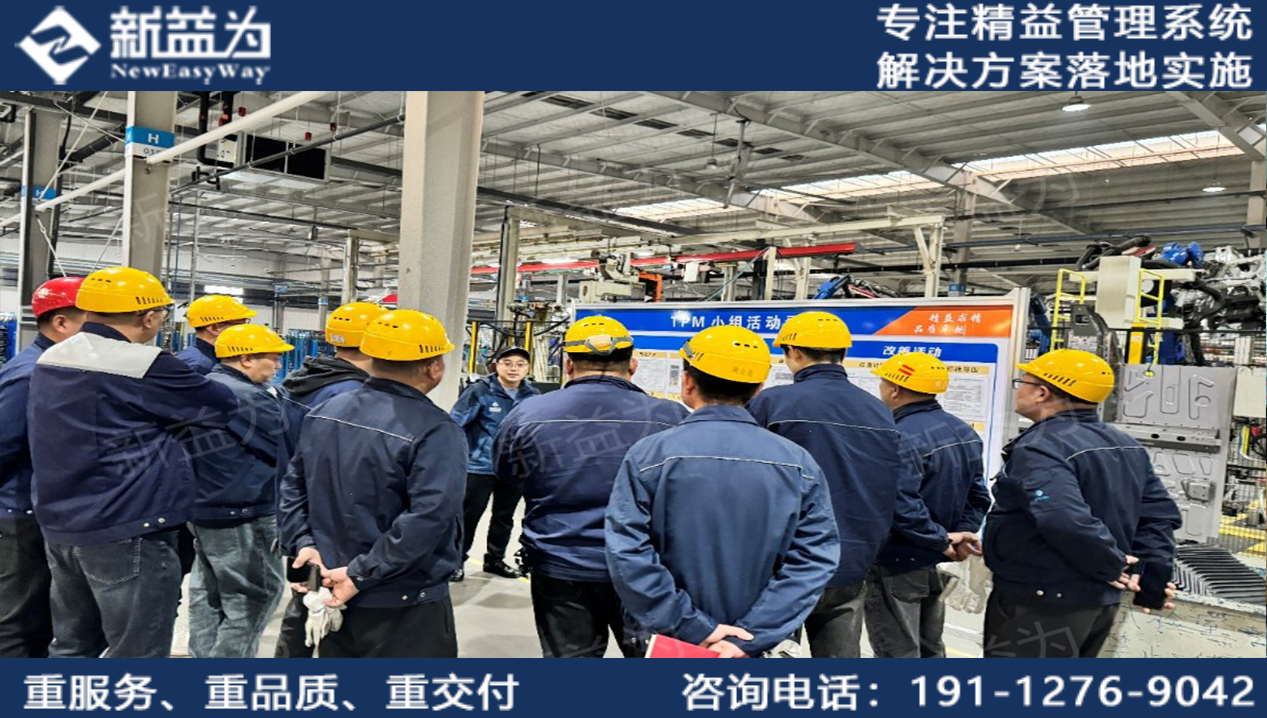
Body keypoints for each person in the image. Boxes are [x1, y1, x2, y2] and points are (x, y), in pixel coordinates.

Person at [28, 267, 238, 658]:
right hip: (129, 526)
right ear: (150, 317)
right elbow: (223, 406)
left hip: (61, 526)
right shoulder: (145, 363)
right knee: (138, 651)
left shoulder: (52, 357)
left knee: (72, 646)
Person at [606, 325, 840, 657]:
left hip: (669, 639)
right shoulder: (798, 463)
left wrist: (690, 625)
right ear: (758, 389)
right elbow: (814, 559)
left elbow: (627, 551)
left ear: (688, 382)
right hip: (756, 646)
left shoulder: (649, 455)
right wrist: (752, 635)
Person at [747, 311, 958, 658]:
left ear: (794, 353)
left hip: (784, 562)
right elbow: (898, 489)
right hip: (852, 560)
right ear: (843, 354)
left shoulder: (772, 403)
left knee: (773, 655)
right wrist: (937, 538)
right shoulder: (878, 411)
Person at [494, 316, 688, 657]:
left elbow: (509, 475)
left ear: (568, 364)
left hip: (559, 564)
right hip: (646, 570)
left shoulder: (528, 413)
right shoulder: (671, 417)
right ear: (633, 364)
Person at [279, 310, 467, 658]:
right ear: (434, 367)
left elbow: (293, 486)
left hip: (332, 585)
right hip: (402, 601)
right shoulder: (436, 430)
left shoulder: (326, 411)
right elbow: (429, 517)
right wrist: (359, 574)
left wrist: (304, 543)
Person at [983, 349, 1182, 658]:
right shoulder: (1125, 444)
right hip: (1099, 604)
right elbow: (1157, 516)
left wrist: (1112, 564)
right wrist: (1151, 580)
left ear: (1041, 392)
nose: (1018, 390)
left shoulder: (1041, 447)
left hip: (1041, 603)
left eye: (1022, 382)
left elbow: (1063, 517)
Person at [274, 300, 385, 658]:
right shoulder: (350, 394)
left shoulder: (307, 379)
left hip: (299, 512)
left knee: (304, 603)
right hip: (331, 522)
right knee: (328, 609)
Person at [864, 352, 992, 658]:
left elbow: (901, 503)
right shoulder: (963, 431)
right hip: (939, 559)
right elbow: (978, 496)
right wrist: (959, 537)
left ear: (895, 389)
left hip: (898, 560)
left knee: (897, 649)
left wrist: (940, 539)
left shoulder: (898, 436)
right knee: (930, 644)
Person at [186, 325, 296, 658]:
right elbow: (286, 447)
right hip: (244, 511)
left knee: (209, 596)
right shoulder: (247, 396)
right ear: (246, 359)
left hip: (206, 508)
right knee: (253, 597)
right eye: (273, 359)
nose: (278, 366)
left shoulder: (207, 385)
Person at [0, 277, 86, 657]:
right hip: (18, 515)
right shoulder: (33, 374)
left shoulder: (56, 368)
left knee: (40, 619)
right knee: (19, 623)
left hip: (39, 511)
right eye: (94, 321)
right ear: (61, 323)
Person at [451, 346, 540, 582]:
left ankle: (495, 559)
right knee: (469, 516)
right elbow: (456, 423)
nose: (513, 368)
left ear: (527, 369)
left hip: (514, 467)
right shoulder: (480, 391)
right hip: (480, 466)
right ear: (497, 365)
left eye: (520, 364)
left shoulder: (532, 396)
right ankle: (456, 562)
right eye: (507, 363)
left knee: (504, 517)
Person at [176, 295, 257, 375]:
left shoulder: (212, 358)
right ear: (214, 328)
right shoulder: (198, 366)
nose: (244, 330)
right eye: (239, 325)